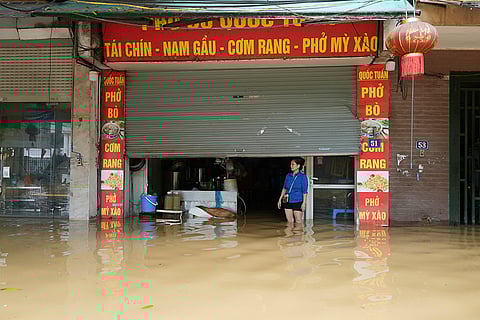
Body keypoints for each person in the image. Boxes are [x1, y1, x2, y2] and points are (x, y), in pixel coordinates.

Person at [277, 158, 308, 224]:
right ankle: (289, 234)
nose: (291, 166)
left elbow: (305, 191)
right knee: (289, 222)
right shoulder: (288, 176)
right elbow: (284, 188)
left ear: (298, 166)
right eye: (291, 164)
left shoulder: (303, 177)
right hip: (287, 200)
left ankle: (299, 234)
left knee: (298, 221)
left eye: (293, 164)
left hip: (298, 201)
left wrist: (304, 203)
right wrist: (280, 199)